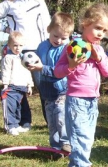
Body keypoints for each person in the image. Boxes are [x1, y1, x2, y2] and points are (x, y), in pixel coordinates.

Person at [54, 3, 108, 167]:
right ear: (85, 24)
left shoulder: (98, 49)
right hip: (76, 101)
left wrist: (99, 58)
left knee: (86, 139)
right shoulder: (73, 47)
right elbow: (57, 71)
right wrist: (71, 65)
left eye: (104, 31)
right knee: (81, 138)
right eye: (97, 28)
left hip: (92, 101)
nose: (100, 34)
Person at [0, 0, 51, 121]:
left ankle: (51, 121)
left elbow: (47, 23)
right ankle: (21, 121)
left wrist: (50, 43)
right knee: (18, 88)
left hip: (40, 49)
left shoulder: (39, 1)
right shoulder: (9, 4)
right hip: (19, 51)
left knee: (44, 87)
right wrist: (4, 29)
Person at [27, 12, 74, 157]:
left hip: (62, 90)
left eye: (63, 38)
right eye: (56, 36)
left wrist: (42, 68)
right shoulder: (42, 47)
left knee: (60, 116)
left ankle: (66, 142)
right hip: (47, 91)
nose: (59, 40)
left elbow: (59, 71)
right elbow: (36, 62)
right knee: (51, 121)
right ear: (49, 30)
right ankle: (55, 148)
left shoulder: (67, 49)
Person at [1, 32, 34, 136]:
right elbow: (5, 71)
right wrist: (5, 84)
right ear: (9, 45)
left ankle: (23, 123)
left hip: (22, 87)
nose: (18, 48)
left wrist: (29, 85)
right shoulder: (8, 58)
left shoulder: (24, 57)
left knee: (22, 107)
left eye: (20, 45)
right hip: (12, 87)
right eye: (15, 45)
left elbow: (27, 71)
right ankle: (11, 126)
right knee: (10, 107)